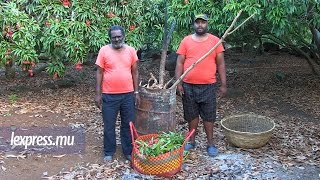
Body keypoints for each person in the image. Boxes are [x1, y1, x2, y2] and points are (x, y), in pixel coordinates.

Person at [175, 14, 227, 157]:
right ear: (193, 24)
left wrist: (223, 84)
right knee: (191, 114)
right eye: (197, 22)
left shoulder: (215, 41)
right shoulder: (186, 41)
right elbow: (179, 62)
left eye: (202, 22)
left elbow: (221, 63)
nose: (200, 25)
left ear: (207, 24)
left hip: (208, 86)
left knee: (209, 116)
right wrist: (178, 83)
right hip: (188, 86)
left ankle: (210, 143)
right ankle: (191, 141)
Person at [95, 25, 140, 162]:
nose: (116, 39)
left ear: (123, 36)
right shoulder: (104, 51)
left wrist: (136, 92)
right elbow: (99, 72)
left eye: (119, 36)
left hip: (128, 95)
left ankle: (128, 150)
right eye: (113, 37)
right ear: (110, 38)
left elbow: (135, 72)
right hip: (109, 95)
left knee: (128, 124)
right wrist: (98, 94)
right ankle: (109, 151)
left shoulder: (131, 51)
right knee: (109, 125)